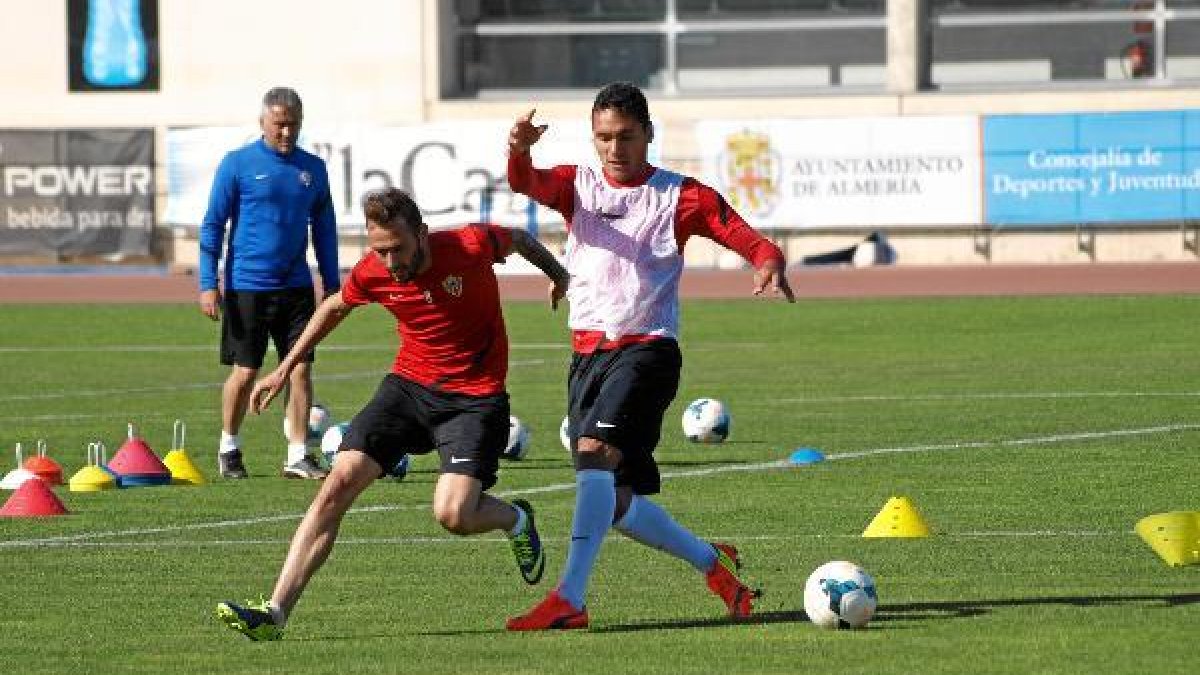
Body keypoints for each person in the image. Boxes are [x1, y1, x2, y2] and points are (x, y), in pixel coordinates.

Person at [216, 187, 570, 641]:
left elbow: (521, 238)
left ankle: (515, 520)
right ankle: (275, 613)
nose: (388, 261)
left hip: (475, 398)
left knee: (454, 515)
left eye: (397, 248)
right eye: (379, 250)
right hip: (408, 389)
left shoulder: (469, 245)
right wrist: (283, 369)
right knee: (336, 485)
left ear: (421, 234)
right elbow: (334, 306)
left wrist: (558, 274)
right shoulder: (374, 270)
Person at [504, 82, 796, 631]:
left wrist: (768, 259)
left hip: (647, 351)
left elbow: (742, 235)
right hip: (587, 355)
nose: (614, 149)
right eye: (604, 138)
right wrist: (518, 149)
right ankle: (715, 567)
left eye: (626, 137)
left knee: (591, 452)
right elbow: (527, 182)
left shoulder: (678, 196)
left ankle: (570, 597)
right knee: (612, 501)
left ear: (648, 135)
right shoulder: (577, 184)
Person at [198, 86, 341, 481]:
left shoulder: (313, 169)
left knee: (300, 370)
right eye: (279, 125)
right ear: (263, 122)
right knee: (245, 373)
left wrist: (332, 282)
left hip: (297, 288)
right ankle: (229, 447)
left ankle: (297, 454)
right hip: (247, 287)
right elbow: (212, 225)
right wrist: (208, 284)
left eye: (292, 125)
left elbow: (324, 229)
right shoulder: (237, 164)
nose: (286, 133)